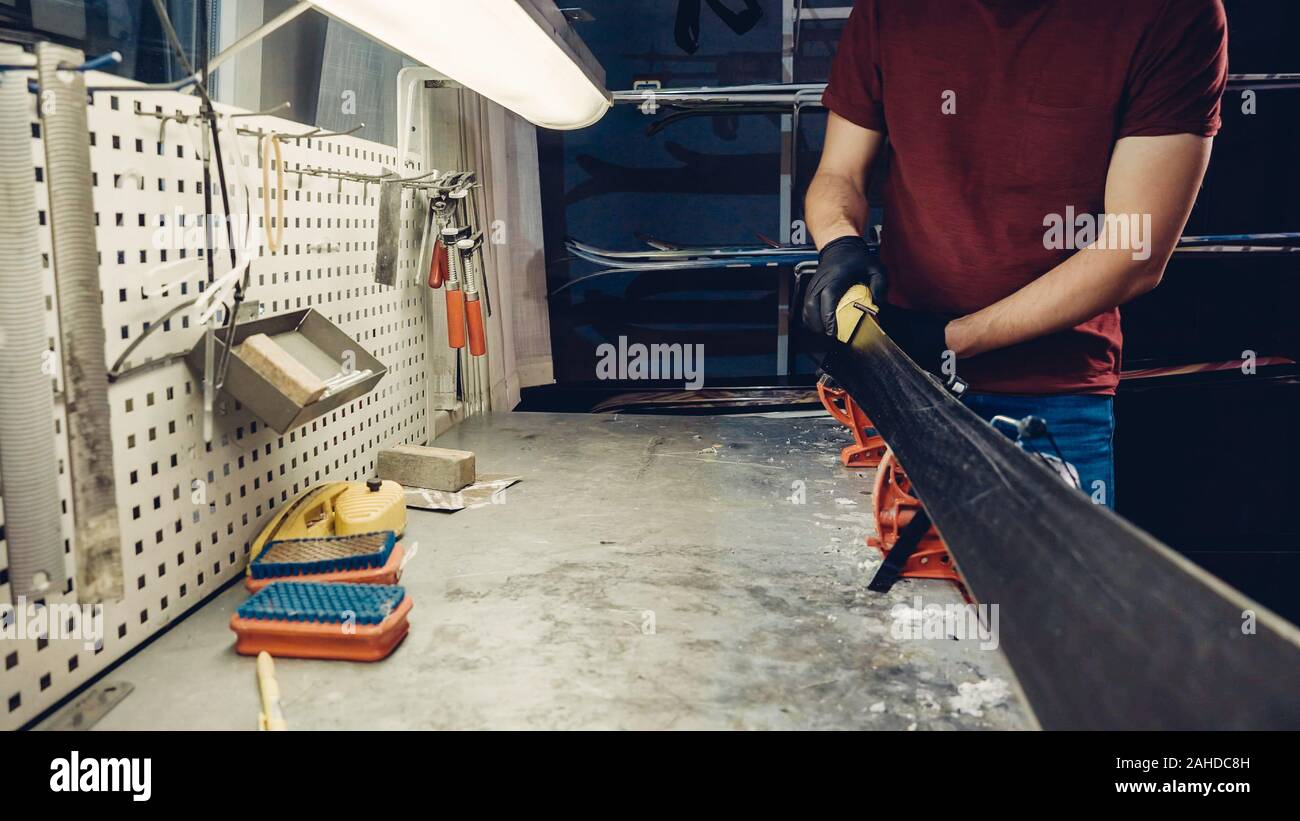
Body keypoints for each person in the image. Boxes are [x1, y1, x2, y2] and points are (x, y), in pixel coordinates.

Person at [800, 0, 1228, 508]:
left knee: (1054, 585)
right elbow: (839, 174)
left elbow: (1134, 251)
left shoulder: (1174, 14)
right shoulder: (892, 8)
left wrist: (949, 341)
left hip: (1052, 397)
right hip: (900, 381)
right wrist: (840, 244)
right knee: (878, 578)